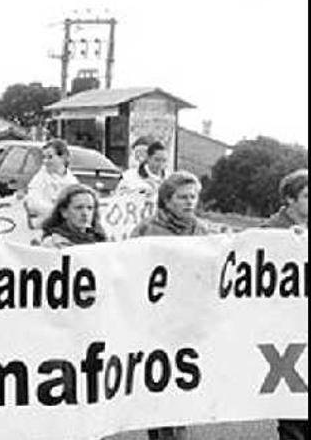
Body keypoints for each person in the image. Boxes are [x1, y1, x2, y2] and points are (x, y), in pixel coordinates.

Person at [130, 171, 212, 440]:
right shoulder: (146, 231)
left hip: (190, 320)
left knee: (183, 391)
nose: (189, 202)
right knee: (160, 391)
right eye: (182, 197)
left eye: (193, 197)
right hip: (157, 320)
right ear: (166, 200)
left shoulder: (202, 231)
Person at [259, 169, 308, 440]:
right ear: (289, 199)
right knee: (292, 405)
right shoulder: (269, 232)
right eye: (306, 196)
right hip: (284, 332)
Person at [24, 139, 79, 222]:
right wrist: (56, 212)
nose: (45, 161)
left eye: (50, 157)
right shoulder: (39, 179)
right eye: (44, 157)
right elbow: (33, 203)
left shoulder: (72, 181)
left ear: (63, 157)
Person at [39, 184, 107, 248]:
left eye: (90, 208)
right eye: (79, 208)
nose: (85, 213)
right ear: (64, 212)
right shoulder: (53, 243)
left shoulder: (101, 240)